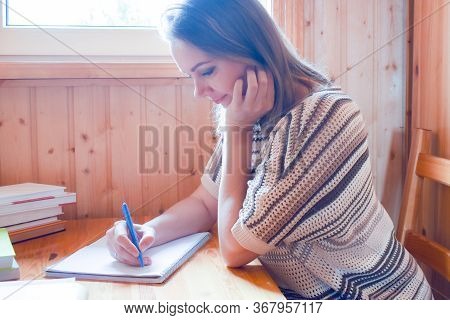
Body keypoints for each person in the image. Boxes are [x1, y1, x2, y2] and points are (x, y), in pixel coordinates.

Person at [106, 0, 433, 299]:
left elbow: (235, 249)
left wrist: (237, 132)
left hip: (373, 300)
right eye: (190, 76)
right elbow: (207, 203)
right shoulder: (247, 112)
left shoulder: (324, 119)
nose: (198, 91)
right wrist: (147, 231)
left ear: (252, 49)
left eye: (206, 71)